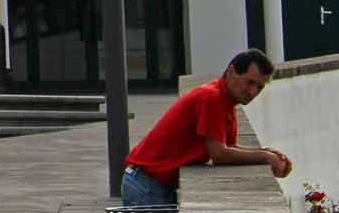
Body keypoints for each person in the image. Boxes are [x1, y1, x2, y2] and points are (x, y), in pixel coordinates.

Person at [119, 48, 291, 208]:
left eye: (259, 87)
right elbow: (220, 154)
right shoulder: (212, 97)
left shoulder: (225, 100)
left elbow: (229, 147)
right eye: (250, 82)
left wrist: (268, 153)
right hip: (146, 184)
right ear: (231, 72)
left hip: (151, 182)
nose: (253, 92)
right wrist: (266, 157)